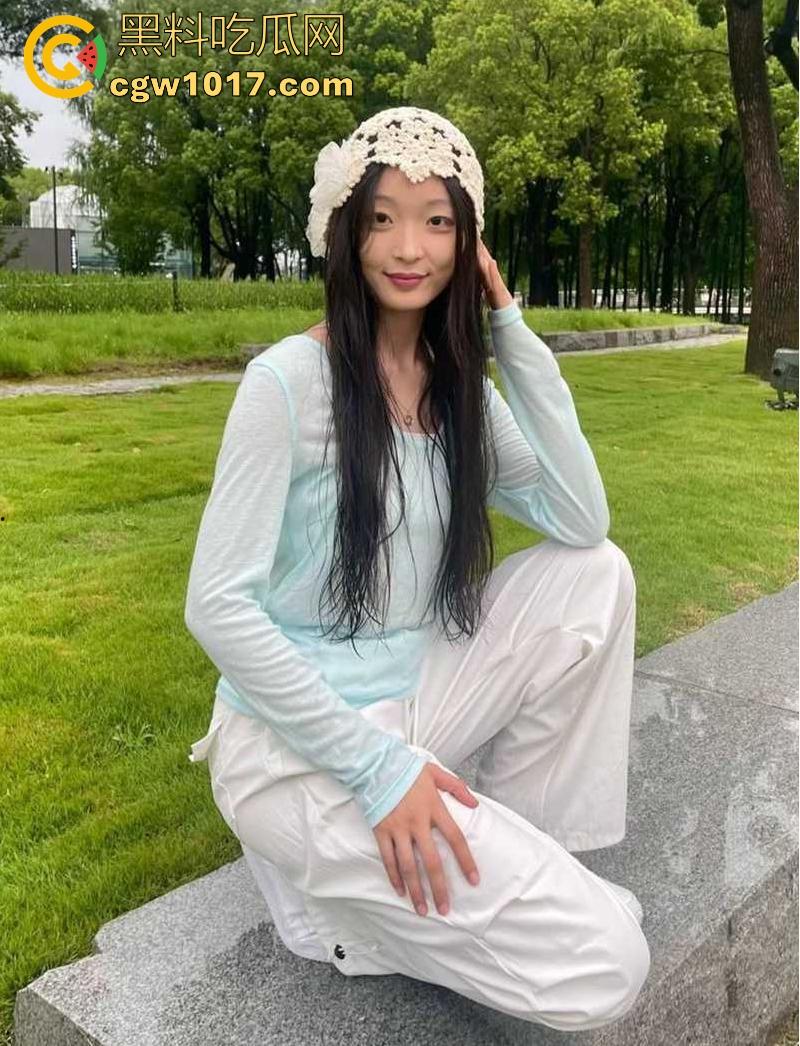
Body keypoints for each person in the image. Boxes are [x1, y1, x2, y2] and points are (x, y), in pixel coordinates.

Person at [184, 105, 651, 1031]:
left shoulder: (457, 386)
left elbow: (579, 517)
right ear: (344, 233)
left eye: (437, 221)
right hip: (295, 748)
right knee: (609, 961)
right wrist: (379, 773)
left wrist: (508, 329)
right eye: (382, 219)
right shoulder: (286, 384)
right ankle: (332, 910)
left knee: (598, 573)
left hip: (419, 696)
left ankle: (517, 843)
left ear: (468, 243)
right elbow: (217, 608)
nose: (409, 248)